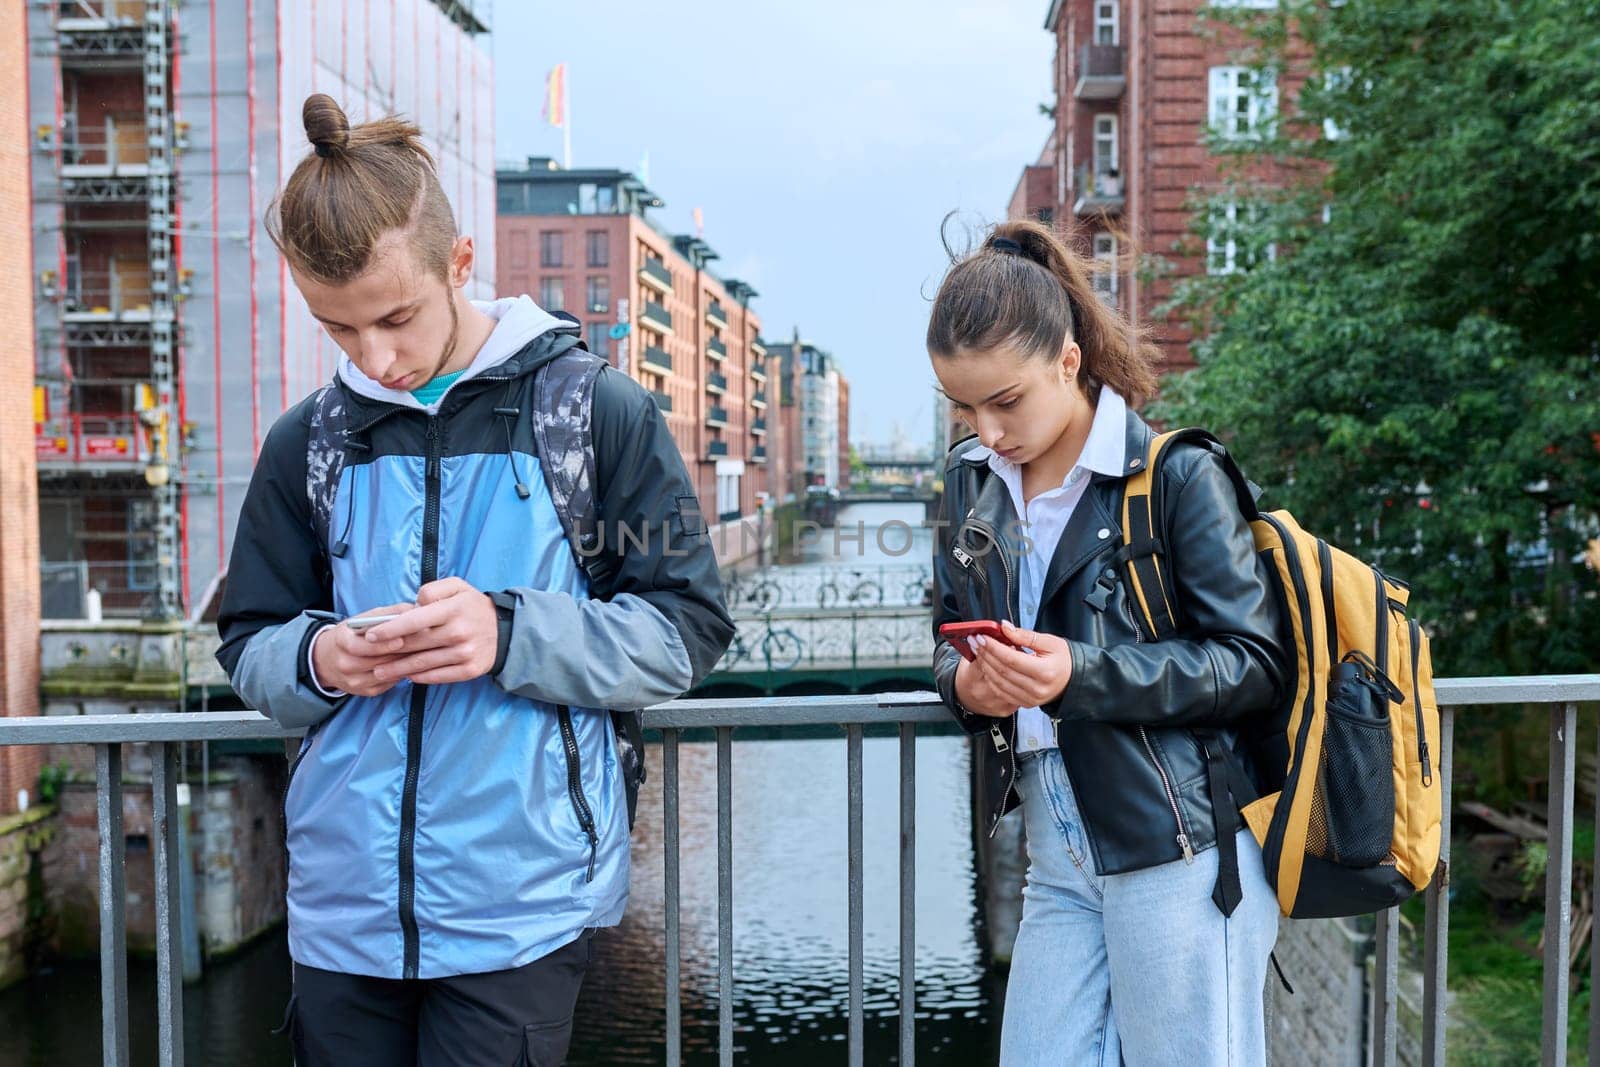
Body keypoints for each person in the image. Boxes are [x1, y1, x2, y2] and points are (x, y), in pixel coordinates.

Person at [216, 95, 734, 1066]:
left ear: (460, 266)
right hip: (340, 912)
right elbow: (248, 643)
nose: (374, 357)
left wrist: (510, 632)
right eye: (338, 330)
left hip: (520, 908)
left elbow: (689, 627)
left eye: (395, 318)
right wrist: (322, 654)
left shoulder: (597, 413)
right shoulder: (307, 442)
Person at [927, 219, 1289, 1065]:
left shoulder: (1174, 475)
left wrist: (1077, 673)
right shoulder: (972, 482)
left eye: (1005, 401)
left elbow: (1254, 662)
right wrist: (966, 688)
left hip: (1182, 848)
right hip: (1056, 847)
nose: (986, 429)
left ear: (1067, 359)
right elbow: (946, 635)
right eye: (964, 407)